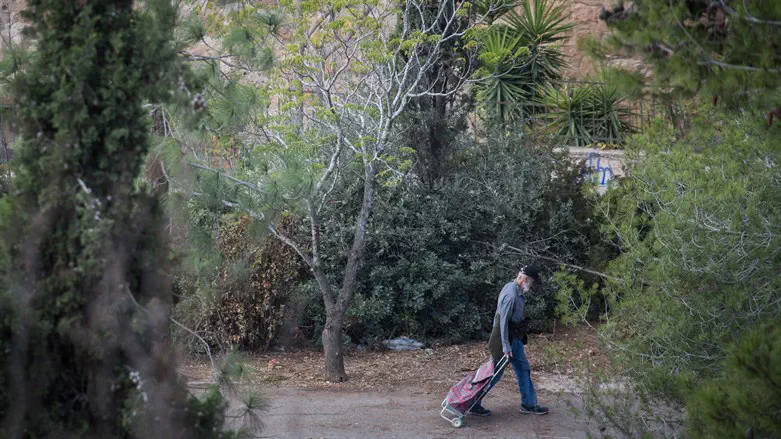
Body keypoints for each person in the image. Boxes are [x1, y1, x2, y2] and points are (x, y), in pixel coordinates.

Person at [468, 265, 550, 417]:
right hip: (504, 340)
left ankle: (529, 404)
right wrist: (506, 346)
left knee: (523, 368)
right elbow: (503, 322)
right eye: (531, 282)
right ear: (524, 279)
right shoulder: (511, 294)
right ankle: (472, 402)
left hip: (515, 339)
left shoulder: (515, 289)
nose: (531, 286)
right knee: (494, 373)